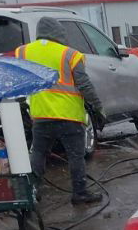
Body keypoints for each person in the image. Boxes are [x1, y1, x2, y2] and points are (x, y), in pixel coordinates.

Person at [13, 17, 104, 205]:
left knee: (38, 152)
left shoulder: (23, 52)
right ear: (59, 33)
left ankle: (32, 191)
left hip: (41, 114)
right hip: (69, 116)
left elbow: (17, 80)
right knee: (75, 156)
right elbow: (84, 85)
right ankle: (79, 192)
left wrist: (20, 103)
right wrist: (98, 107)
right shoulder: (70, 54)